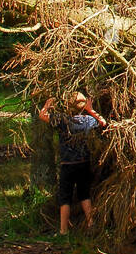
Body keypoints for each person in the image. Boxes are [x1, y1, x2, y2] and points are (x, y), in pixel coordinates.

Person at [40, 90, 107, 233]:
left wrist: (47, 105)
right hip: (83, 162)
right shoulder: (88, 120)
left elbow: (42, 116)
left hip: (67, 165)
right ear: (83, 106)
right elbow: (103, 122)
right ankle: (90, 223)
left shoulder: (63, 120)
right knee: (84, 194)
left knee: (65, 197)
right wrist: (91, 110)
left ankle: (63, 230)